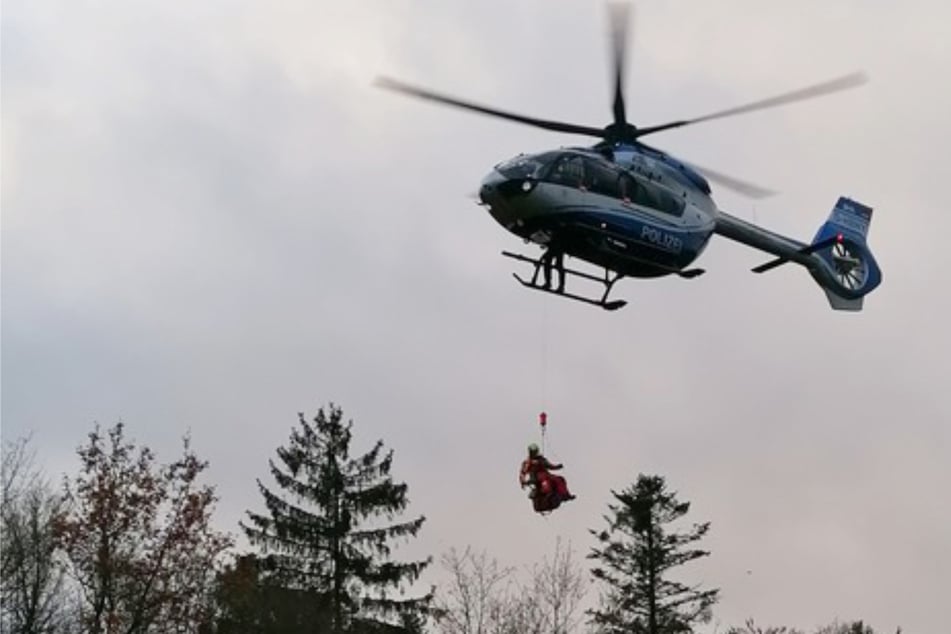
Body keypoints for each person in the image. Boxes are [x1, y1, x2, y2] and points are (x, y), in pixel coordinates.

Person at [519, 443, 575, 511]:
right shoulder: (527, 462)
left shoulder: (541, 459)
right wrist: (523, 481)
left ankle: (565, 495)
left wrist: (558, 466)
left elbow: (550, 466)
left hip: (546, 475)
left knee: (560, 479)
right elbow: (523, 472)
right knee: (546, 482)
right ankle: (546, 495)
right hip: (537, 477)